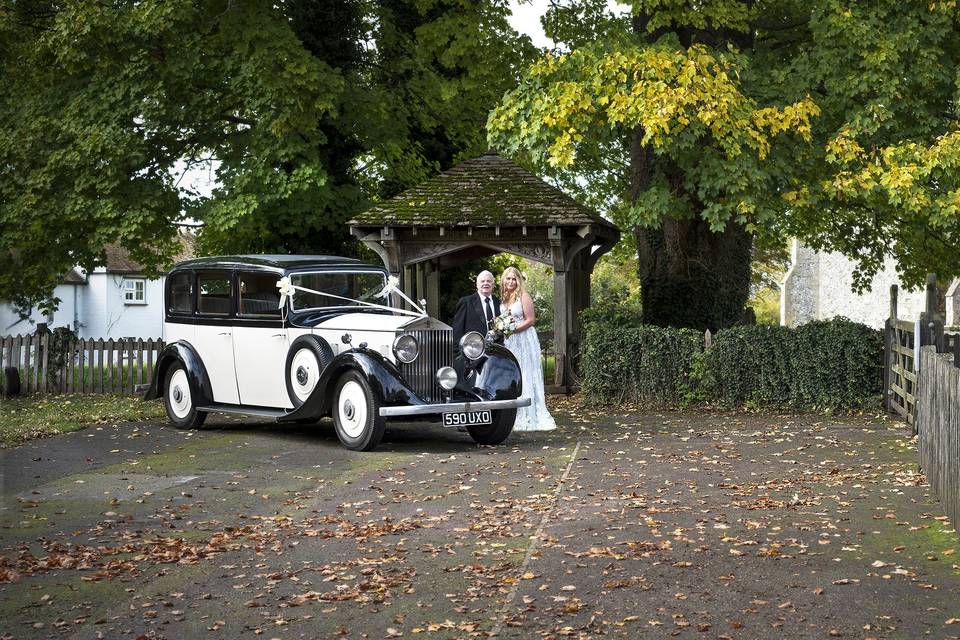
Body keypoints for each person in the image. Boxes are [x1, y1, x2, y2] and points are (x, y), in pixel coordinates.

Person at [499, 267, 556, 432]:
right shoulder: (503, 298)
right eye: (508, 278)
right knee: (514, 373)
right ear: (503, 280)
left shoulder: (524, 296)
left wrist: (514, 329)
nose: (510, 282)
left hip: (524, 338)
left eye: (514, 279)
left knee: (526, 373)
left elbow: (531, 320)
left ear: (518, 281)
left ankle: (530, 414)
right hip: (510, 341)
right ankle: (513, 414)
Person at [452, 270, 499, 345]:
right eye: (482, 281)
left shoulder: (498, 302)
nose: (485, 283)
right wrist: (458, 353)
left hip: (496, 351)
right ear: (477, 285)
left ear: (493, 284)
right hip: (472, 352)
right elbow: (457, 331)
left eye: (488, 281)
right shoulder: (466, 302)